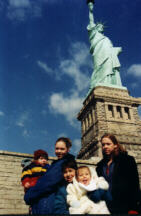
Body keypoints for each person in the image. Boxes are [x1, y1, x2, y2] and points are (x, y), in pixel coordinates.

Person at [24, 137, 75, 214]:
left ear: (68, 149)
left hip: (49, 205)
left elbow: (47, 183)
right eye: (57, 149)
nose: (59, 151)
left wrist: (28, 196)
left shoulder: (64, 163)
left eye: (62, 149)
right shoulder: (57, 163)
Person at [96, 133, 140, 214]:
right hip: (106, 208)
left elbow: (134, 184)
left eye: (108, 144)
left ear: (115, 145)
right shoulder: (99, 166)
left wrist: (134, 207)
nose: (105, 147)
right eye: (103, 145)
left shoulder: (127, 160)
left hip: (124, 206)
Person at [87, 1, 122, 94]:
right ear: (95, 28)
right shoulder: (94, 34)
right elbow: (91, 20)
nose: (101, 27)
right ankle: (100, 82)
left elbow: (111, 49)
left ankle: (109, 82)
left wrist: (116, 50)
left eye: (102, 27)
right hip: (98, 53)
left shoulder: (106, 38)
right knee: (99, 67)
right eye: (99, 26)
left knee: (109, 66)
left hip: (108, 53)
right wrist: (90, 9)